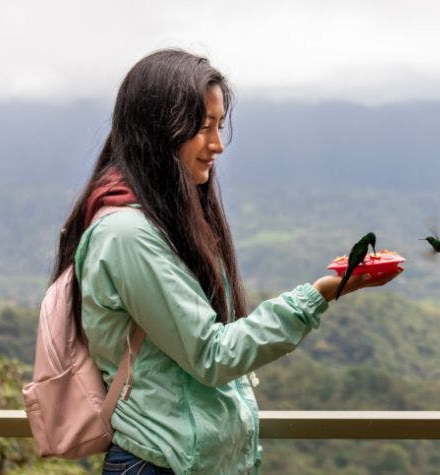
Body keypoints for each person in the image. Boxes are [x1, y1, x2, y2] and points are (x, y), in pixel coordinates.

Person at [52, 49, 402, 474]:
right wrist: (317, 295)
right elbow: (213, 355)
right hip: (158, 465)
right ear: (158, 130)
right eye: (203, 128)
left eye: (219, 126)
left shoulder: (166, 218)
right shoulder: (128, 236)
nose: (217, 144)